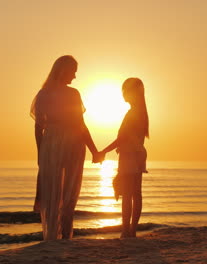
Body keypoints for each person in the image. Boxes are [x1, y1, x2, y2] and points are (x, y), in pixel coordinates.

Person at [31, 55, 102, 240]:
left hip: (52, 143)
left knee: (53, 191)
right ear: (64, 71)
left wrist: (41, 153)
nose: (75, 76)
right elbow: (80, 125)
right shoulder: (71, 94)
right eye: (73, 72)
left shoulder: (43, 94)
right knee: (69, 191)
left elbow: (39, 128)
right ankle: (64, 237)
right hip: (71, 141)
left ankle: (54, 236)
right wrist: (94, 150)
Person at [100, 77, 149, 238]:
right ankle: (131, 230)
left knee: (128, 194)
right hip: (138, 153)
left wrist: (104, 151)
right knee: (135, 193)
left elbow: (122, 137)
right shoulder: (140, 111)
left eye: (125, 90)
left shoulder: (134, 112)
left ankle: (127, 231)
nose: (123, 94)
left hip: (130, 155)